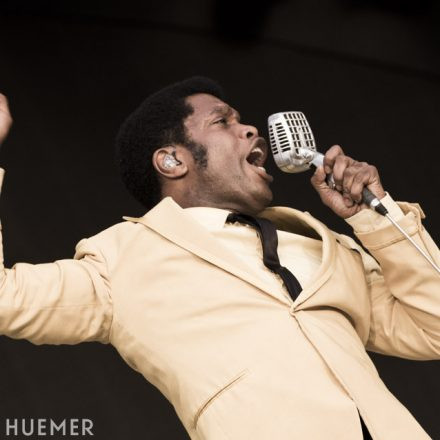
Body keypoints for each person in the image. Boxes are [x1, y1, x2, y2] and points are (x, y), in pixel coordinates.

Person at [0, 77, 439, 440]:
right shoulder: (120, 260)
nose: (252, 131)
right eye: (224, 121)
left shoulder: (321, 243)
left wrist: (376, 216)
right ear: (172, 160)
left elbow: (432, 330)